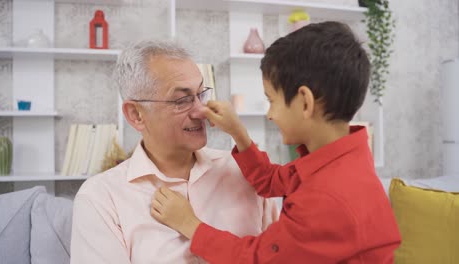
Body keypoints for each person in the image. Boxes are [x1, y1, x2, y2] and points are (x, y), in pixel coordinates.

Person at [150, 22, 402, 263]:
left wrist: (189, 224)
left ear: (305, 102)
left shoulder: (326, 198)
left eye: (272, 100)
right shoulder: (342, 161)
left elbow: (257, 260)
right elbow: (271, 180)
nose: (270, 114)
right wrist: (238, 133)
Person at [70, 40, 278, 264]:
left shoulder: (247, 172)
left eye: (201, 94)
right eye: (182, 100)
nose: (201, 111)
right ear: (136, 115)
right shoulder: (101, 198)